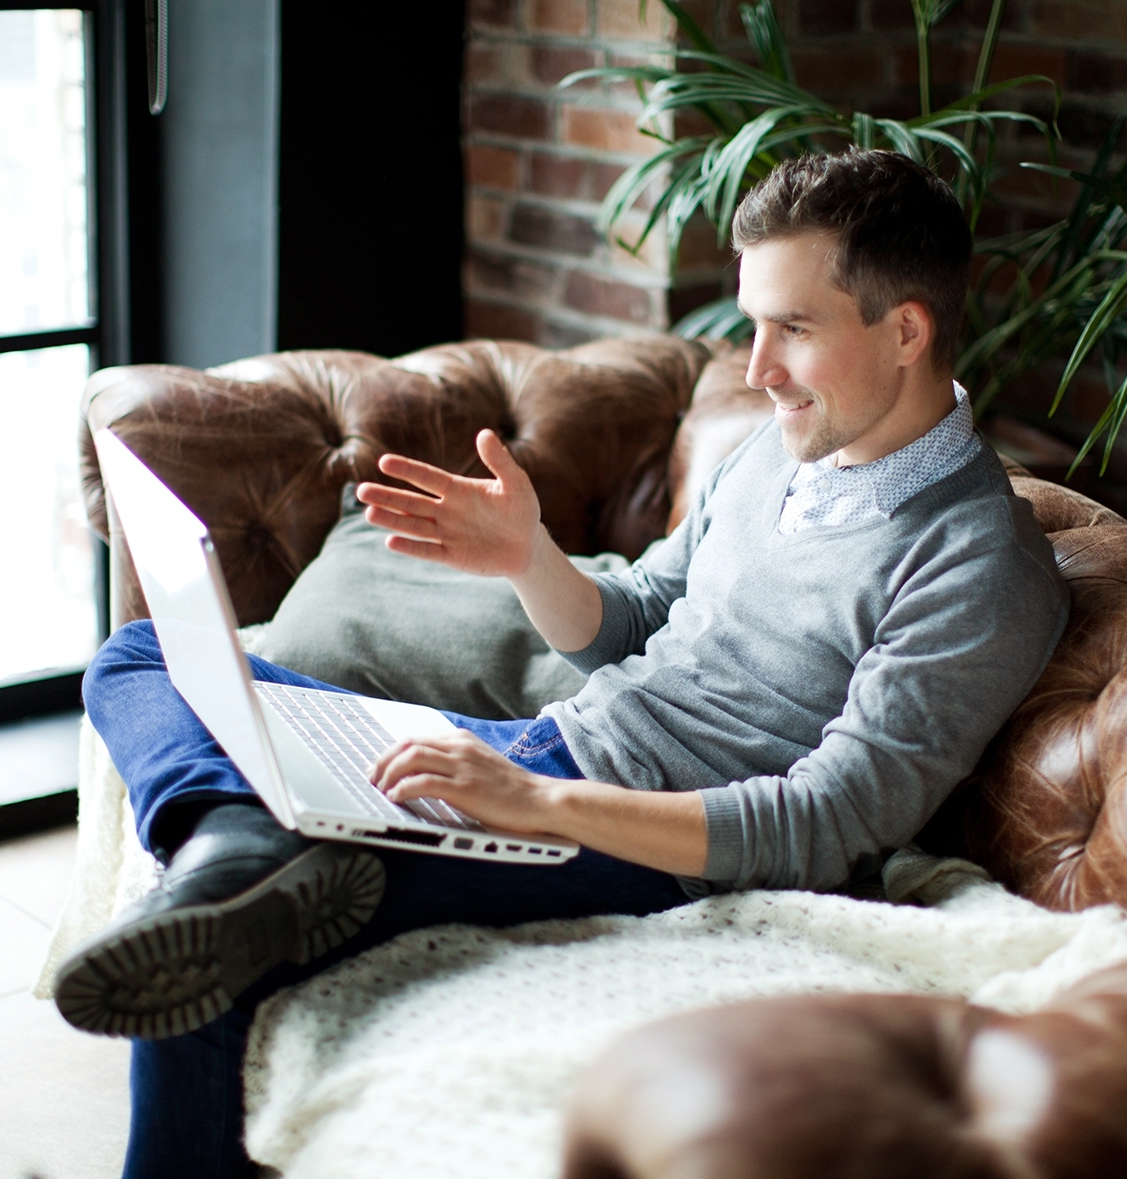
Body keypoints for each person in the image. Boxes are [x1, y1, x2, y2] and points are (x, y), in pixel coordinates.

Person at [57, 148, 1070, 1179]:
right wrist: (525, 559)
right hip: (548, 750)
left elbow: (824, 824)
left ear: (905, 330)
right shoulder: (777, 450)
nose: (757, 369)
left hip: (644, 839)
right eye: (752, 324)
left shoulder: (979, 566)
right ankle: (233, 840)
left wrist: (539, 810)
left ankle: (234, 870)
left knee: (220, 963)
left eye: (794, 330)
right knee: (142, 657)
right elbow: (628, 623)